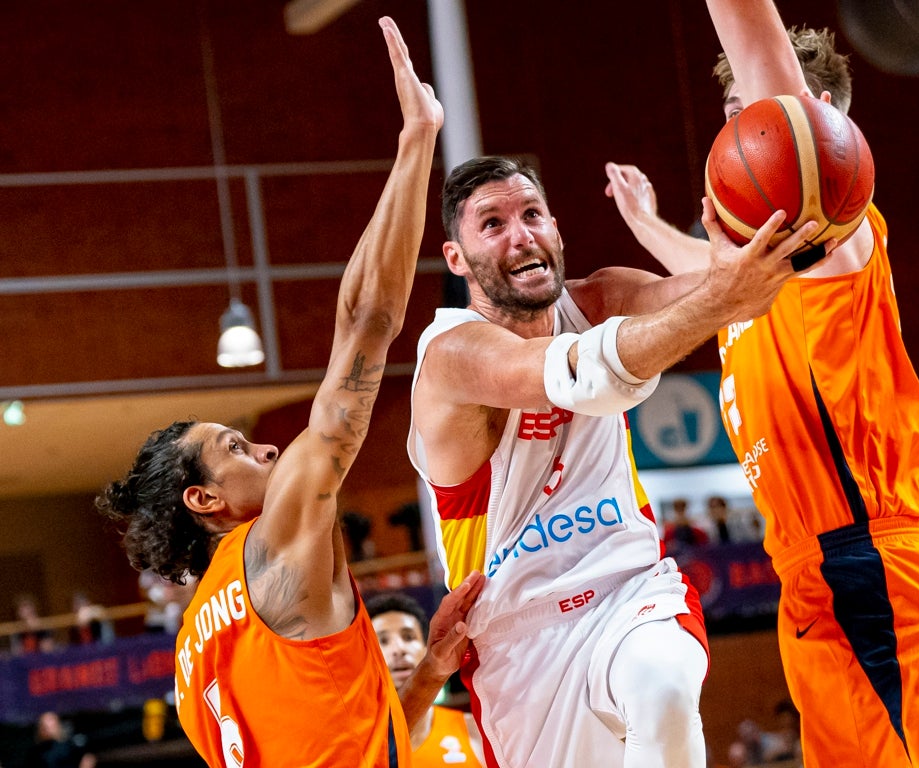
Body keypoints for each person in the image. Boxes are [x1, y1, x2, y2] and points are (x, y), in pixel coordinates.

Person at [95, 18, 484, 767]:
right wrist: (416, 142)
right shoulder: (273, 546)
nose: (269, 448)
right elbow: (365, 326)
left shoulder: (191, 651)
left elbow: (346, 740)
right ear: (203, 499)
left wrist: (429, 672)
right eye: (236, 448)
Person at [602, 2, 919, 764]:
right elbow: (710, 278)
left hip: (873, 565)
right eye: (730, 118)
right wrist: (645, 225)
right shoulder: (763, 281)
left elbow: (762, 53)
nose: (738, 134)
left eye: (752, 111)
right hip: (809, 582)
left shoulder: (834, 223)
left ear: (819, 124)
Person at [407, 140, 813, 764]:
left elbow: (722, 294)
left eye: (532, 215)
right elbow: (582, 375)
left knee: (662, 685)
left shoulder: (601, 299)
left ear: (556, 228)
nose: (520, 235)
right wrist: (723, 297)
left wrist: (785, 240)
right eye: (492, 224)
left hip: (630, 588)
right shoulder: (450, 355)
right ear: (456, 259)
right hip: (517, 639)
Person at [366, 591, 484, 767]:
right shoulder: (356, 745)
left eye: (409, 637)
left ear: (425, 649)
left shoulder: (473, 729)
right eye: (383, 641)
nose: (399, 649)